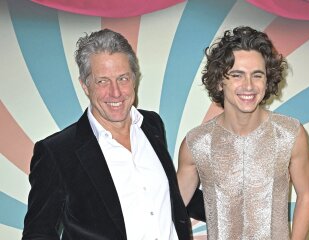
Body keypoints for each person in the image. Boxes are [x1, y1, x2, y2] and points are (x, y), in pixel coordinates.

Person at [22, 28, 195, 240]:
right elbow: (38, 233)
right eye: (102, 81)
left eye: (123, 78)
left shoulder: (152, 125)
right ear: (85, 85)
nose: (115, 92)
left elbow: (167, 197)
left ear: (135, 78)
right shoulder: (57, 152)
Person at [177, 26, 309, 240]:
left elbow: (306, 196)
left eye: (257, 75)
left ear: (267, 79)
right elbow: (172, 210)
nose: (249, 86)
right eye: (237, 75)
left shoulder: (290, 134)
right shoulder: (197, 143)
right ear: (220, 81)